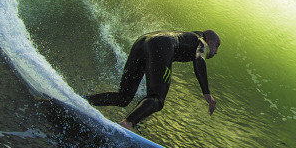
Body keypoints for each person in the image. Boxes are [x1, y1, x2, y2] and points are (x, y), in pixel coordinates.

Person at [86, 30, 220, 130]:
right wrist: (207, 92)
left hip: (143, 41)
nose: (216, 52)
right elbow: (199, 59)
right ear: (210, 40)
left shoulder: (186, 35)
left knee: (124, 97)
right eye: (217, 46)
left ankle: (84, 100)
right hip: (162, 45)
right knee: (157, 98)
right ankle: (128, 123)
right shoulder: (201, 41)